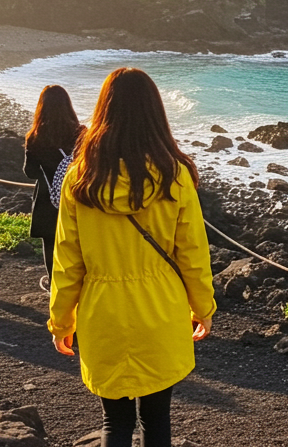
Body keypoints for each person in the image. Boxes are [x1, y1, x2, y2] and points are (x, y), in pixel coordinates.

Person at [48, 68, 216, 447]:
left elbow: (67, 260)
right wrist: (203, 307)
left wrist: (61, 320)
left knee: (115, 421)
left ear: (103, 112)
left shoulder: (80, 179)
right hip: (160, 309)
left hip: (102, 311)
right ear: (155, 113)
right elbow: (192, 252)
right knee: (157, 419)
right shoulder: (175, 176)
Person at [23, 85, 85, 291]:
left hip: (47, 199)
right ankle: (80, 286)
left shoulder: (35, 137)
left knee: (50, 244)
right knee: (78, 244)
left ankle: (54, 286)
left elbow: (30, 172)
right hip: (76, 197)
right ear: (68, 105)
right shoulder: (81, 133)